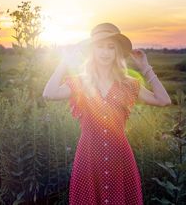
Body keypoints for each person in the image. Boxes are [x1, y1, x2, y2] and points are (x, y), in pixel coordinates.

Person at [42, 22, 172, 205]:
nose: (105, 52)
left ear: (117, 51)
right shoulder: (80, 83)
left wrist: (145, 67)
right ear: (92, 51)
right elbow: (49, 93)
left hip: (121, 160)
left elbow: (164, 100)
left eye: (111, 47)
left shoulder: (128, 84)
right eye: (100, 46)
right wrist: (64, 63)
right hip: (88, 159)